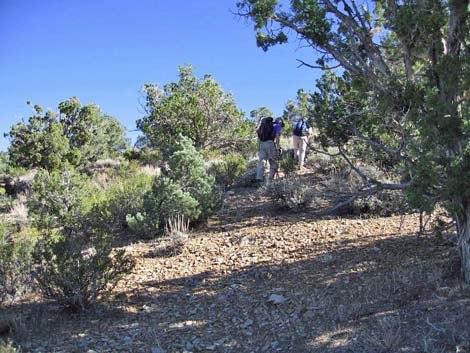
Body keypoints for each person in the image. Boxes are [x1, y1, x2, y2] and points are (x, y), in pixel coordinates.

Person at [256, 116, 282, 182]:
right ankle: (271, 178)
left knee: (262, 161)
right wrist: (278, 147)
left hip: (261, 144)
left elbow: (259, 136)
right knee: (273, 161)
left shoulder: (264, 125)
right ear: (280, 121)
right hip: (270, 143)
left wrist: (259, 146)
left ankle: (259, 178)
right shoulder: (277, 125)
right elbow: (277, 136)